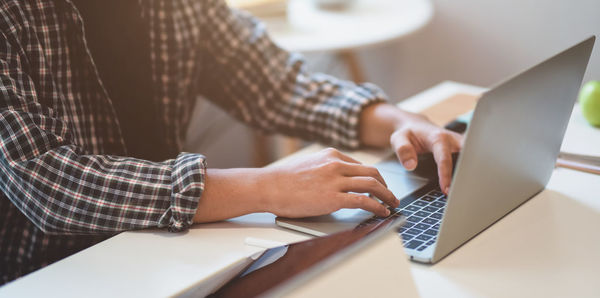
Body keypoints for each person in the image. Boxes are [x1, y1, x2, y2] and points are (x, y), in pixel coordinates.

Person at [0, 0, 462, 285]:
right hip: (53, 273)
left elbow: (273, 84)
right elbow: (46, 180)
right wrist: (269, 187)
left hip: (174, 248)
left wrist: (397, 121)